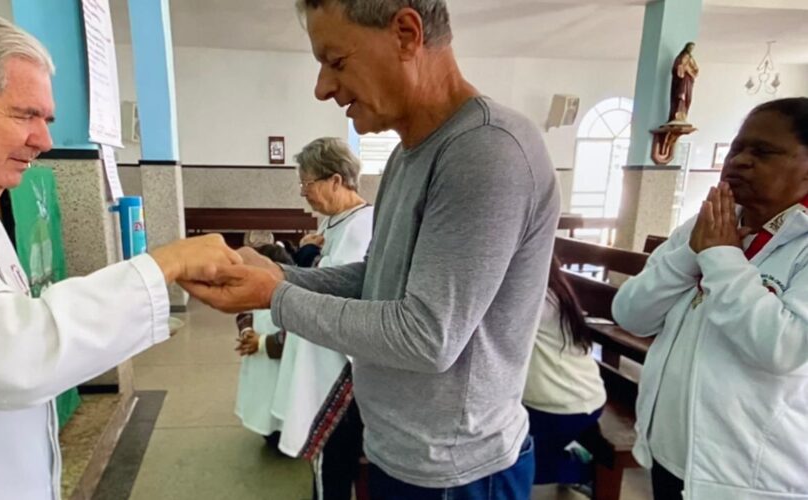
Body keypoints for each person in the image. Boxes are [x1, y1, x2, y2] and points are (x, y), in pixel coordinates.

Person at [183, 1, 561, 498]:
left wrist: (275, 298)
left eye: (336, 62)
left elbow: (428, 337)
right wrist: (275, 276)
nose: (322, 88)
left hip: (458, 472)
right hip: (400, 450)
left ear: (406, 34)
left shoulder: (485, 152)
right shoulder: (410, 153)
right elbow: (376, 278)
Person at [0, 9, 238, 500]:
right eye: (25, 115)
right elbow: (4, 352)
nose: (44, 140)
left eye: (47, 119)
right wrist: (164, 264)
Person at [612, 97, 808, 500]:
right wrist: (692, 251)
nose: (739, 161)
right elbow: (630, 313)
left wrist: (719, 256)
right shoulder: (704, 225)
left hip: (751, 480)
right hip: (671, 456)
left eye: (763, 152)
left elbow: (783, 348)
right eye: (737, 148)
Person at [269, 137, 373, 500]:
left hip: (340, 367)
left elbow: (342, 287)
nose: (304, 193)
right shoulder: (335, 221)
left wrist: (307, 260)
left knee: (335, 457)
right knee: (328, 458)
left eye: (307, 183)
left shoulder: (362, 225)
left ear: (335, 180)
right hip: (320, 348)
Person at [522, 256, 606, 487]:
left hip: (560, 407)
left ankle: (584, 470)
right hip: (583, 398)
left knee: (516, 465)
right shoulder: (556, 290)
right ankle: (566, 454)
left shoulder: (535, 298)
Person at [234, 244, 294, 449]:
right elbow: (244, 313)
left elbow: (294, 336)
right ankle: (267, 430)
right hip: (261, 366)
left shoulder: (292, 300)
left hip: (280, 366)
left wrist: (261, 342)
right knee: (261, 400)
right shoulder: (255, 295)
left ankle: (284, 435)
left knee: (280, 402)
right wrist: (247, 332)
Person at [669, 42, 698, 124]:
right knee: (680, 96)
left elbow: (695, 70)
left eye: (692, 48)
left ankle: (683, 115)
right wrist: (682, 68)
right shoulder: (680, 57)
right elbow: (676, 68)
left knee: (687, 99)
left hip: (688, 81)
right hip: (681, 80)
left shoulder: (691, 58)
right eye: (690, 47)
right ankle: (676, 116)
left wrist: (689, 70)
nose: (691, 49)